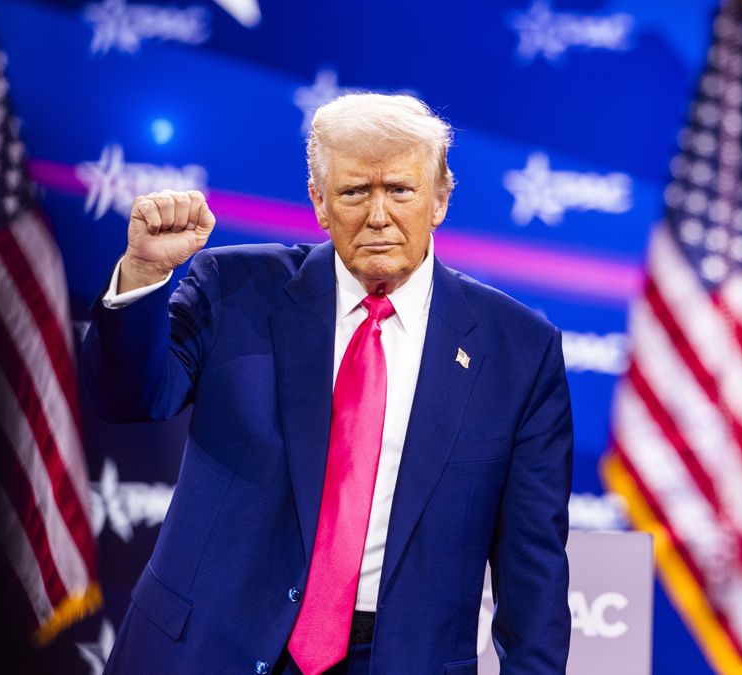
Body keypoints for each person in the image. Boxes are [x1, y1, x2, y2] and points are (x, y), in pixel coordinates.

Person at [82, 93, 572, 674]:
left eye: (400, 190)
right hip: (208, 648)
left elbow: (532, 577)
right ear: (318, 201)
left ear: (440, 198)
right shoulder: (234, 289)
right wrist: (144, 274)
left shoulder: (517, 351)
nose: (379, 215)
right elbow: (127, 396)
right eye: (354, 192)